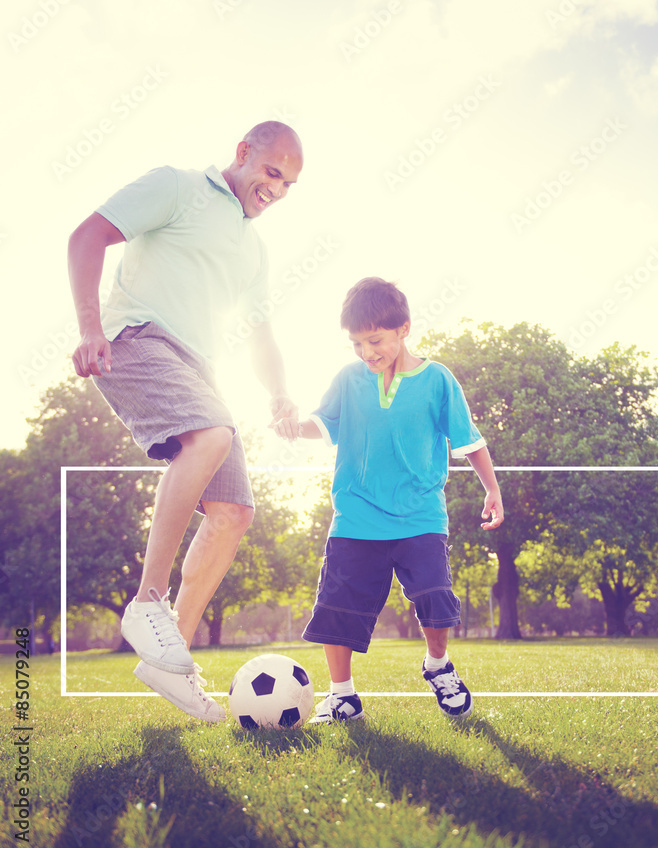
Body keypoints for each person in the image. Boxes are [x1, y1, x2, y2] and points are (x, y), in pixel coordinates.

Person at [69, 121, 304, 722]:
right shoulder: (177, 186)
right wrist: (91, 328)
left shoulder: (254, 250)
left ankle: (171, 660)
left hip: (200, 367)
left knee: (234, 513)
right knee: (213, 433)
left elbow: (259, 333)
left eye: (289, 184)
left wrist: (278, 392)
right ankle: (148, 602)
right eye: (271, 172)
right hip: (137, 338)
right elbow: (87, 235)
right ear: (243, 153)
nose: (276, 189)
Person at [274, 277, 503, 722]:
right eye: (357, 344)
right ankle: (342, 696)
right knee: (337, 608)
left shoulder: (437, 379)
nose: (367, 352)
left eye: (374, 340)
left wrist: (491, 489)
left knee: (436, 598)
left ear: (404, 329)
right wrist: (291, 426)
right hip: (356, 517)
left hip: (420, 516)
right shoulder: (348, 379)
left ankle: (438, 666)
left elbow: (469, 440)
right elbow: (321, 425)